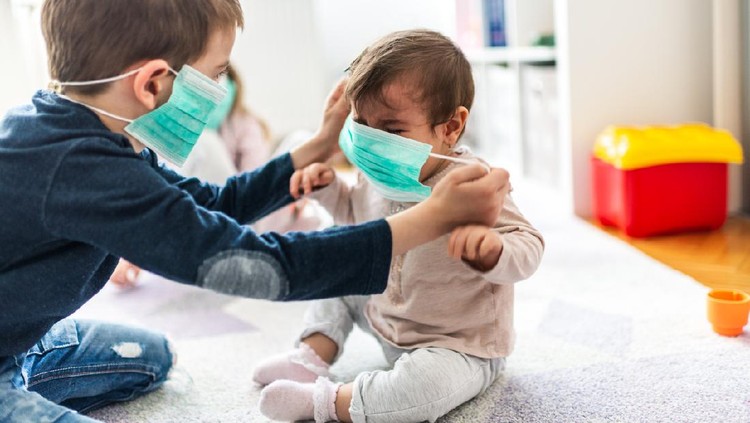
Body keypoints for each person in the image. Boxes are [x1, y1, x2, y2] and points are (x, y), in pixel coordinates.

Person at [0, 2, 510, 421]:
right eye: (214, 75)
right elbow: (258, 265)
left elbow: (212, 205)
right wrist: (429, 218)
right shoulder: (84, 169)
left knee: (151, 359)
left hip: (18, 333)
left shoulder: (79, 133)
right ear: (153, 82)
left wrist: (313, 147)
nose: (219, 91)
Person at [253, 29, 544, 423]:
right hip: (384, 315)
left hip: (456, 346)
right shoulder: (376, 173)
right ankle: (310, 355)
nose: (373, 144)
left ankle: (328, 402)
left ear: (451, 127)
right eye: (362, 125)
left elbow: (529, 244)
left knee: (424, 388)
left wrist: (493, 249)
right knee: (336, 273)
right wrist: (327, 190)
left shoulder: (475, 185)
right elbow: (356, 217)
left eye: (391, 131)